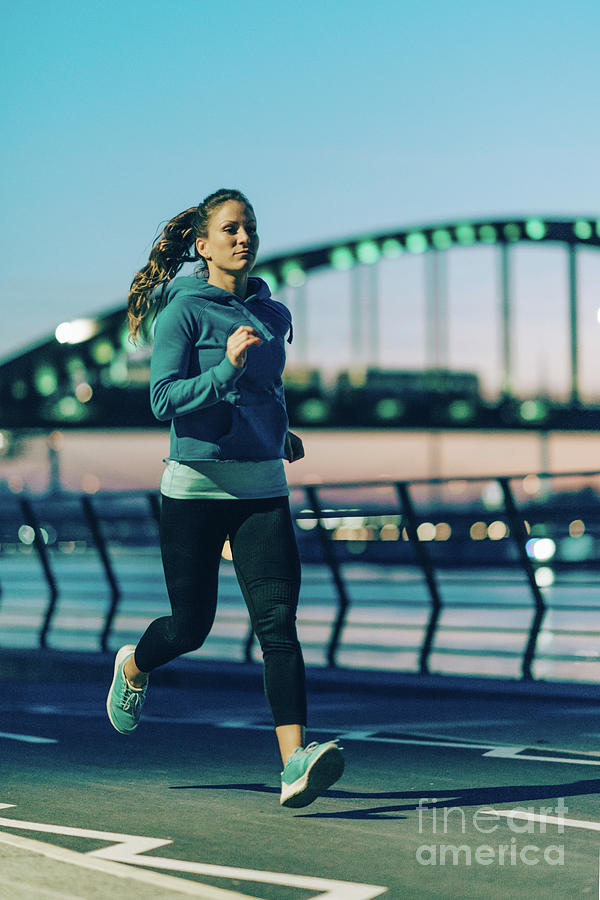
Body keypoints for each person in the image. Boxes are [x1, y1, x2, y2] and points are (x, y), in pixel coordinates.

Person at [106, 188, 344, 808]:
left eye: (251, 229)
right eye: (231, 229)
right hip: (195, 488)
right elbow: (163, 400)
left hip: (263, 487)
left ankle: (294, 762)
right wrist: (225, 371)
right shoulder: (181, 313)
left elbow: (267, 395)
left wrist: (278, 433)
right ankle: (134, 665)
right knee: (192, 626)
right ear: (203, 245)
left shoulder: (272, 315)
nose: (244, 238)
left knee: (279, 626)